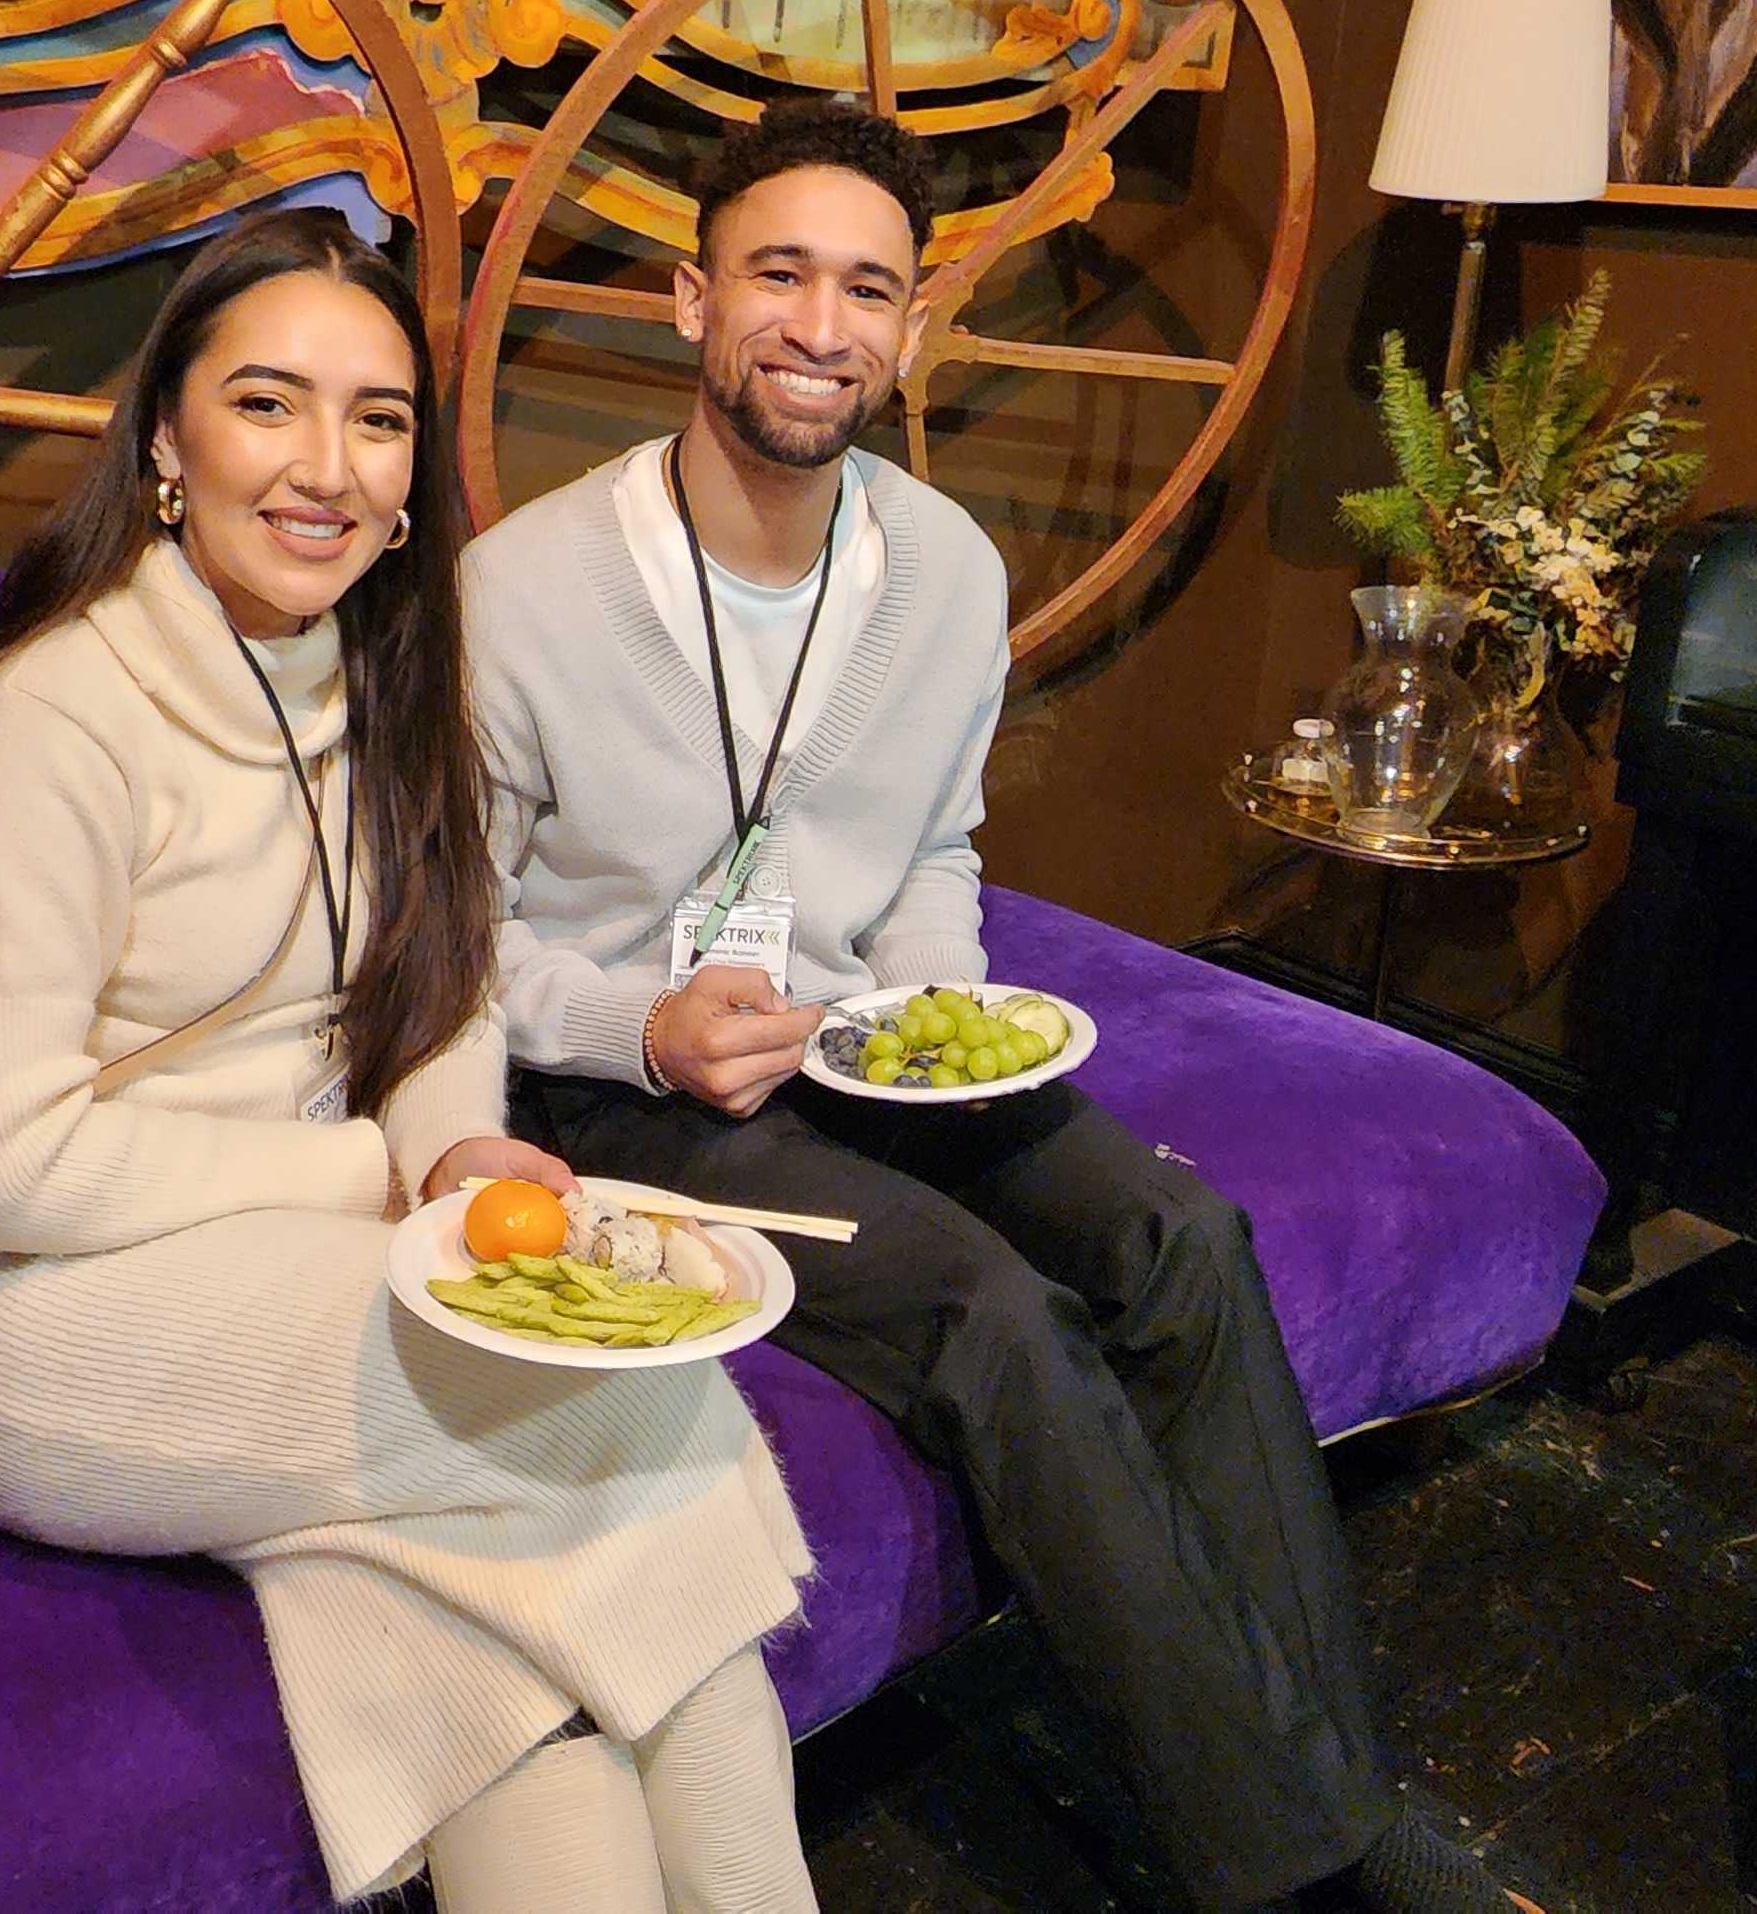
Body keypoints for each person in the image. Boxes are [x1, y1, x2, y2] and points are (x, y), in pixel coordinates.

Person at [464, 103, 1534, 1914]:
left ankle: (1334, 1791)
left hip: (857, 1052)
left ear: (913, 326)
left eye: (869, 287)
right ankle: (1297, 1870)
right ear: (686, 299)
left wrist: (932, 1015)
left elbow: (931, 849)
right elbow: (450, 941)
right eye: (777, 273)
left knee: (1181, 1231)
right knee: (995, 1314)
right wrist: (635, 1029)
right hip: (639, 1088)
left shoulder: (947, 570)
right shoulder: (525, 592)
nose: (821, 325)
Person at [0, 210, 818, 1913]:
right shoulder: (52, 721)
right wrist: (368, 1174)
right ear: (166, 439)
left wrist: (455, 1150)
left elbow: (438, 991)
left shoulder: (377, 681)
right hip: (38, 1312)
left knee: (491, 1651)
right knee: (621, 1409)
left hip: (297, 1272)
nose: (328, 468)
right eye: (268, 406)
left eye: (378, 419)